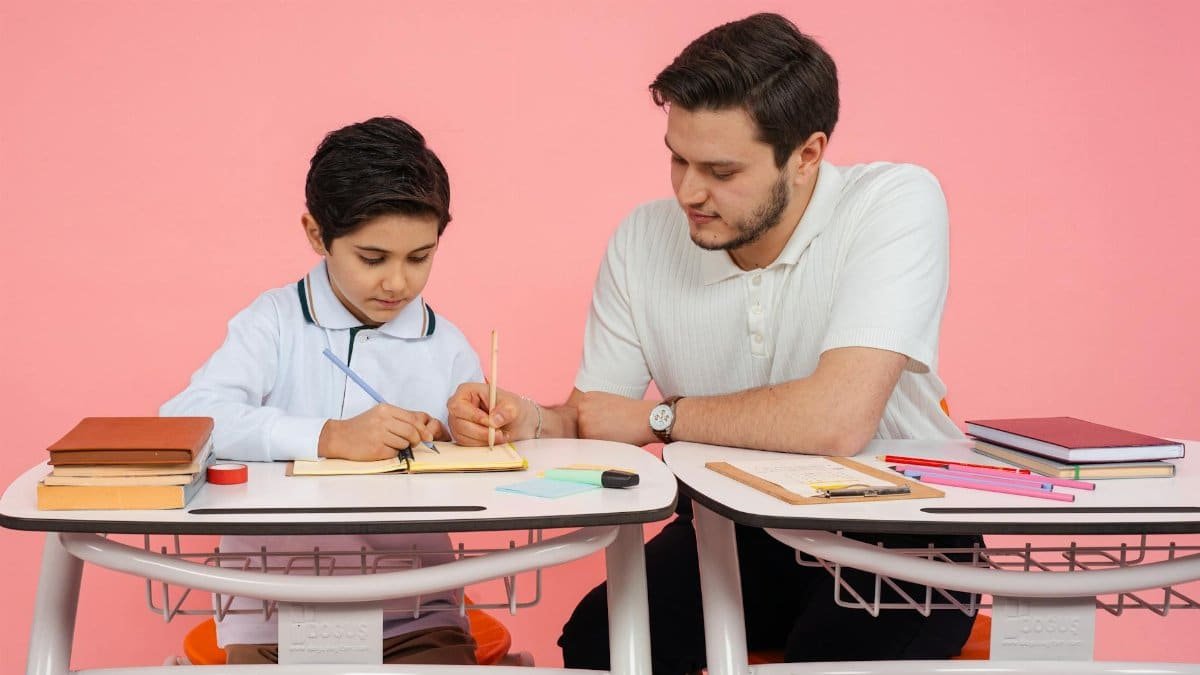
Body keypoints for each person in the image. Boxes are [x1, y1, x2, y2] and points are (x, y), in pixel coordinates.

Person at [447, 13, 980, 673]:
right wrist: (532, 419)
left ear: (808, 155)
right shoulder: (643, 238)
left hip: (901, 537)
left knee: (831, 656)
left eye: (721, 170)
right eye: (678, 157)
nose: (688, 192)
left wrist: (659, 417)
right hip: (732, 531)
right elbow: (597, 415)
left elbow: (837, 419)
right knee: (599, 638)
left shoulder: (894, 203)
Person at [161, 116, 482, 665]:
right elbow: (189, 419)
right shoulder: (273, 323)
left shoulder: (447, 345)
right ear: (317, 236)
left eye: (420, 258)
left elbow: (480, 449)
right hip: (270, 613)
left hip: (415, 613)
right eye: (373, 258)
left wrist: (469, 431)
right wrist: (326, 435)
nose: (398, 283)